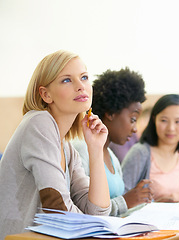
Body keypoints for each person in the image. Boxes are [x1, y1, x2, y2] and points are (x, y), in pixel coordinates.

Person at [0, 50, 111, 239]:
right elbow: (58, 211)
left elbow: (98, 212)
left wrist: (95, 149)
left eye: (84, 77)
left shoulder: (67, 147)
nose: (80, 86)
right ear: (46, 94)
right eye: (67, 80)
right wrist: (92, 226)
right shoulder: (38, 122)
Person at [72, 67, 153, 216]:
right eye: (133, 120)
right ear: (110, 113)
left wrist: (143, 202)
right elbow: (81, 210)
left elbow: (119, 211)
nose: (135, 129)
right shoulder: (80, 150)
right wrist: (127, 201)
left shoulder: (112, 158)